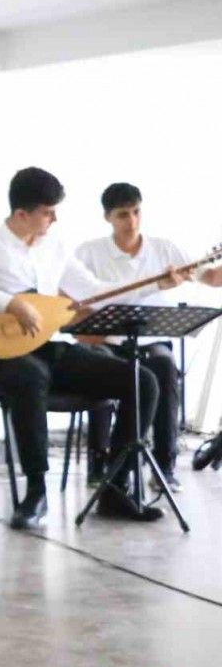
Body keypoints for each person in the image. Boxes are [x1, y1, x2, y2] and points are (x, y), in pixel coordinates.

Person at [0, 167, 188, 530]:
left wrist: (155, 284)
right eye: (48, 212)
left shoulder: (55, 248)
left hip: (45, 347)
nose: (55, 218)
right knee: (31, 377)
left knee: (143, 381)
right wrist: (12, 304)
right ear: (22, 214)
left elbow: (95, 293)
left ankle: (114, 487)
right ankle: (36, 493)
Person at [74, 182, 222, 493]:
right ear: (107, 217)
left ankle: (164, 466)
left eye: (136, 212)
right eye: (123, 215)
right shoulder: (88, 252)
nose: (132, 221)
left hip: (149, 340)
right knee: (99, 369)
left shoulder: (164, 248)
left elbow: (210, 277)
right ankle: (100, 466)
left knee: (165, 367)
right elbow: (73, 301)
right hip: (105, 341)